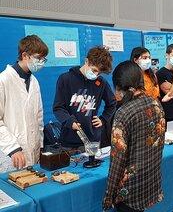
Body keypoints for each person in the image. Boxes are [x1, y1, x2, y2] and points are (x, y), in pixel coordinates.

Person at [103, 61, 166, 212]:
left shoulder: (123, 113)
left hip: (129, 192)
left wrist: (108, 196)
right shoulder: (155, 104)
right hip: (150, 181)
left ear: (118, 87)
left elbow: (117, 160)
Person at [0, 35, 48, 172]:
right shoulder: (4, 80)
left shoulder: (34, 81)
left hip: (32, 151)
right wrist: (13, 148)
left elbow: (38, 117)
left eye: (43, 59)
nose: (41, 62)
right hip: (10, 154)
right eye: (38, 58)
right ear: (25, 55)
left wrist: (40, 145)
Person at [53, 46, 116, 149]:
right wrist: (69, 121)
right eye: (94, 70)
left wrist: (103, 119)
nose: (96, 75)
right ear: (87, 61)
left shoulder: (101, 83)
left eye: (99, 73)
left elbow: (112, 103)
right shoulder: (65, 79)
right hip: (69, 140)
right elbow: (58, 108)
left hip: (92, 140)